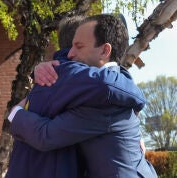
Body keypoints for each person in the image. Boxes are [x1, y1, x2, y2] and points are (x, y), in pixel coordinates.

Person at [8, 14, 157, 177]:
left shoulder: (104, 94)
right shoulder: (95, 86)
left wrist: (16, 113)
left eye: (79, 46)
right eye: (71, 47)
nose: (70, 54)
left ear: (105, 50)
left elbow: (46, 135)